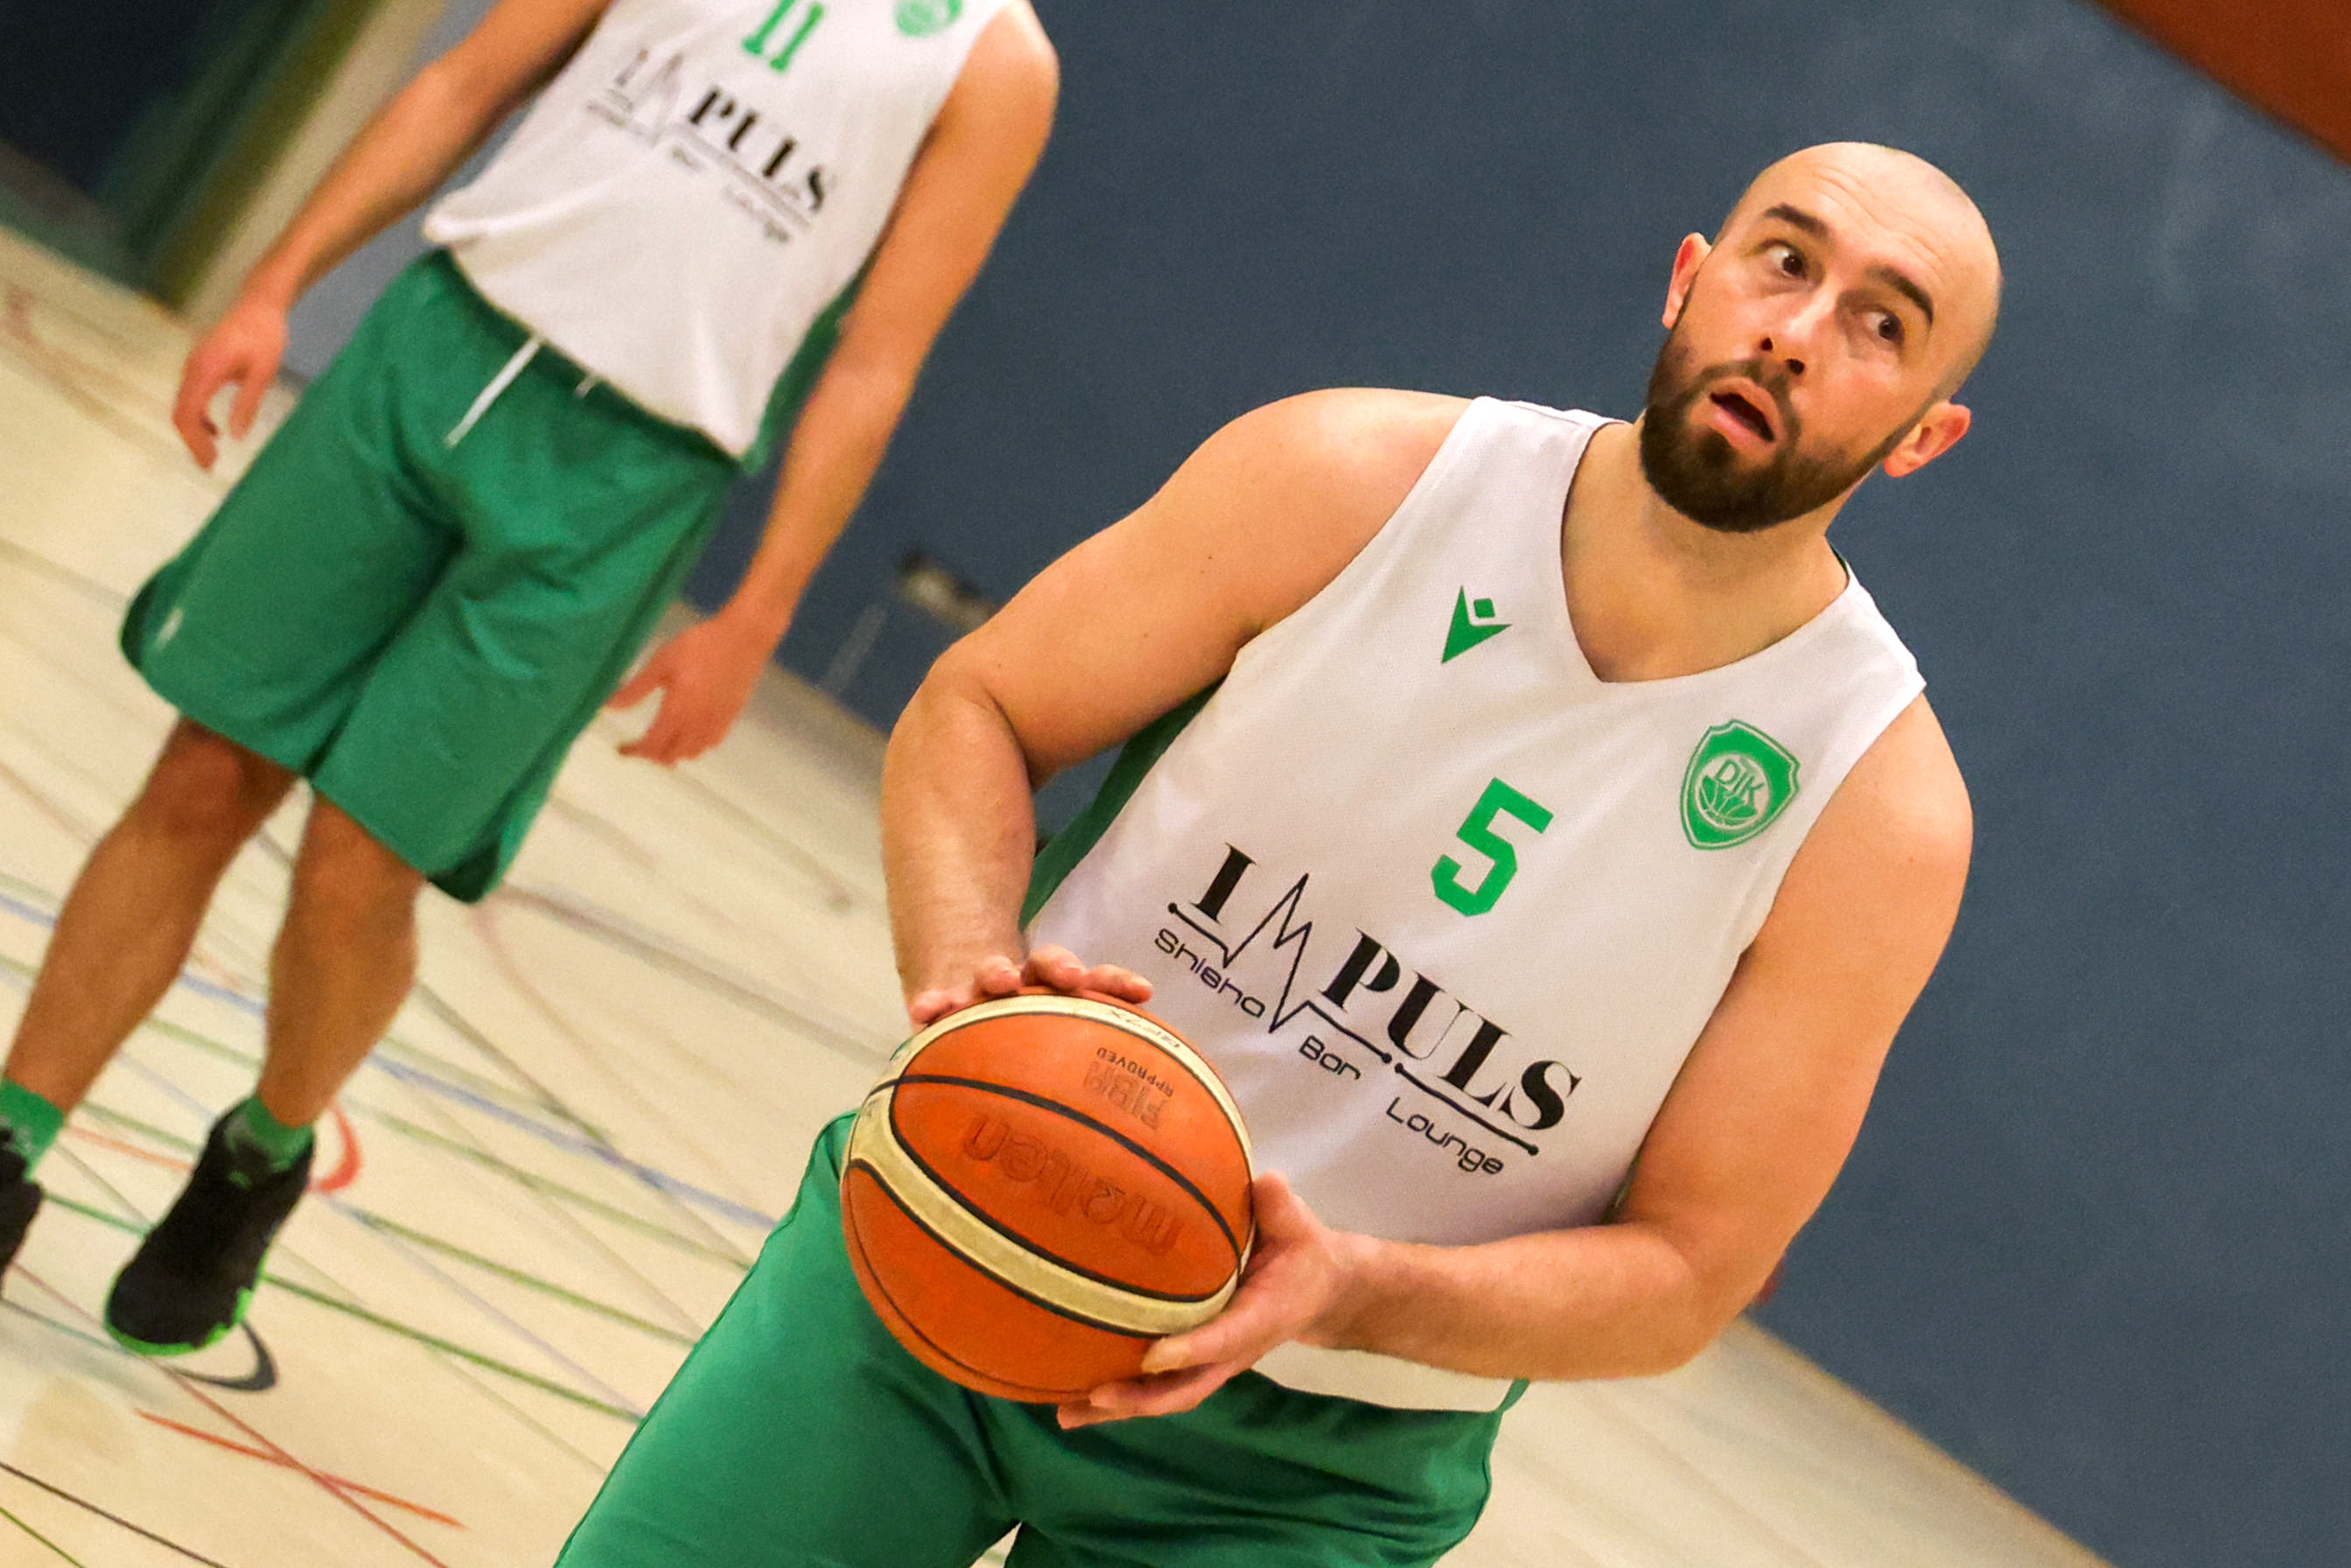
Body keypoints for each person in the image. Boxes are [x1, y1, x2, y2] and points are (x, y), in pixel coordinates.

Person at [553, 141, 2001, 1566]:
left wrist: (1350, 1289)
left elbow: (1686, 1275)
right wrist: (968, 985)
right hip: (961, 1224)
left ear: (1924, 436)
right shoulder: (1349, 478)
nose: (1797, 333)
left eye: (1881, 325)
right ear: (1690, 279)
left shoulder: (1873, 816)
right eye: (1783, 261)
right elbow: (982, 707)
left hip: (1306, 1478)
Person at [0, 0, 1058, 1356]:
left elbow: (874, 362)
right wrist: (272, 284)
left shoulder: (994, 64)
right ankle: (14, 1136)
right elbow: (461, 87)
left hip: (631, 476)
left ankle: (266, 1148)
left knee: (357, 867)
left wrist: (756, 613)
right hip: (434, 354)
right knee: (203, 772)